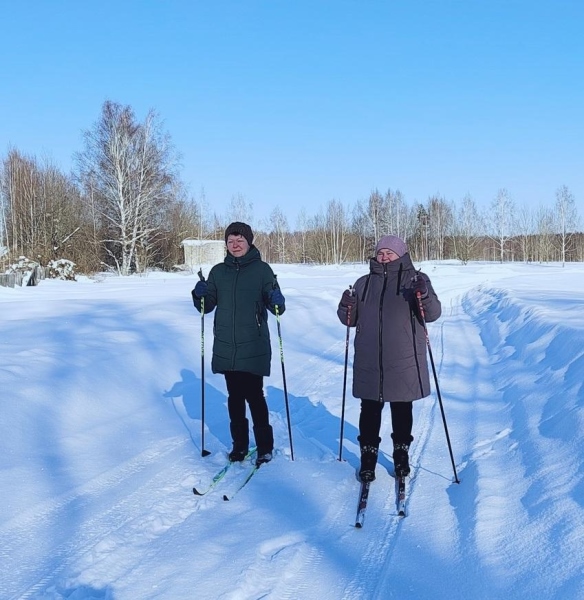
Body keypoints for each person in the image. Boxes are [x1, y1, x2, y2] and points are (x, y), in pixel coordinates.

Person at [337, 234, 441, 481]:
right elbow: (349, 320)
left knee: (402, 407)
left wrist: (424, 294)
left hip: (404, 356)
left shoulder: (415, 280)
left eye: (389, 253)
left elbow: (432, 314)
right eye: (380, 253)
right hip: (370, 357)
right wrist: (345, 305)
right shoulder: (363, 283)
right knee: (369, 409)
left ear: (401, 254)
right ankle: (368, 457)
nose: (384, 257)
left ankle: (401, 454)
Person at [191, 222, 285, 467]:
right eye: (230, 241)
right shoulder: (218, 272)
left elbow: (276, 306)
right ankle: (239, 446)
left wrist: (277, 300)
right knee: (234, 397)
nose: (235, 245)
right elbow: (207, 306)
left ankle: (265, 447)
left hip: (253, 344)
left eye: (239, 240)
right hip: (227, 344)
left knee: (254, 395)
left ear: (249, 242)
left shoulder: (262, 270)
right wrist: (199, 294)